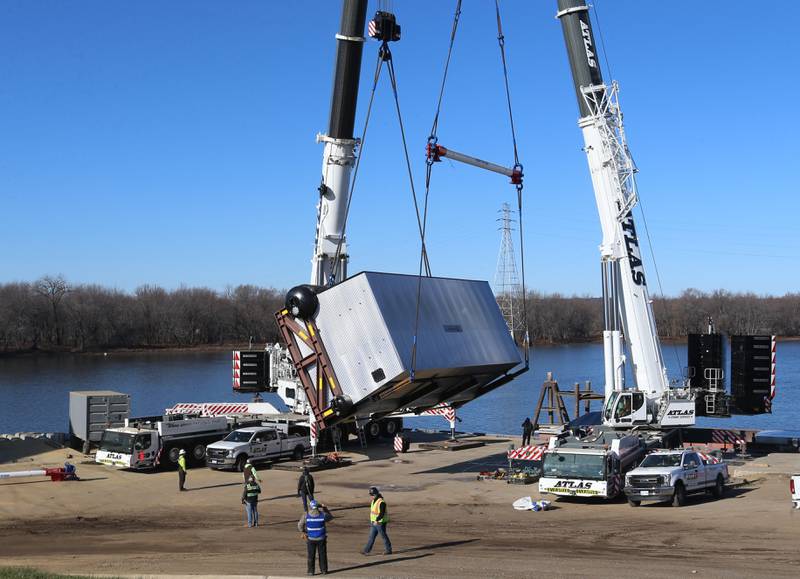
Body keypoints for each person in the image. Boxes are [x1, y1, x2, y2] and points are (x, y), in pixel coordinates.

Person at [298, 499, 333, 576]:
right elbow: (331, 517)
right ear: (317, 507)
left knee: (311, 555)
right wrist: (325, 508)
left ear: (310, 507)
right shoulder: (323, 515)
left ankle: (311, 571)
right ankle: (324, 570)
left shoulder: (306, 515)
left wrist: (303, 532)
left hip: (311, 539)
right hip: (321, 538)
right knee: (322, 554)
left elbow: (300, 525)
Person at [361, 486, 391, 556]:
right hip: (374, 522)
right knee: (371, 537)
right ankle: (366, 550)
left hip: (380, 522)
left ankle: (388, 550)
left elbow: (382, 513)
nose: (371, 496)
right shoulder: (374, 501)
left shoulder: (381, 502)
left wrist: (376, 520)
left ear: (375, 494)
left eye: (372, 495)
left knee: (383, 536)